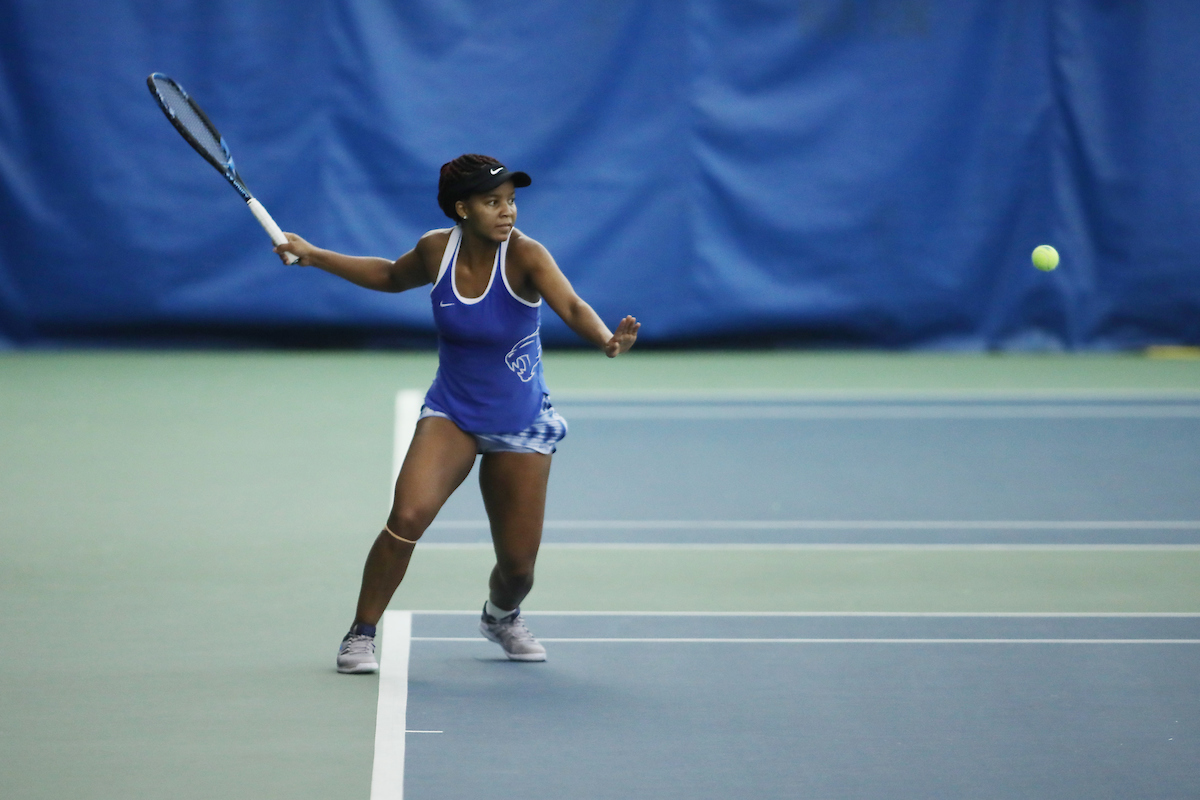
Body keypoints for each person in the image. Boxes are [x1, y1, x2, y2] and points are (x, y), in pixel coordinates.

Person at [274, 154, 640, 671]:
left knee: (517, 568)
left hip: (521, 422)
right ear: (461, 208)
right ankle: (360, 633)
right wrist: (315, 255)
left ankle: (501, 616)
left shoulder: (528, 256)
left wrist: (606, 339)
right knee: (405, 519)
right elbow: (389, 275)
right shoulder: (434, 251)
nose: (507, 211)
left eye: (511, 200)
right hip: (453, 413)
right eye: (493, 202)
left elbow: (573, 305)